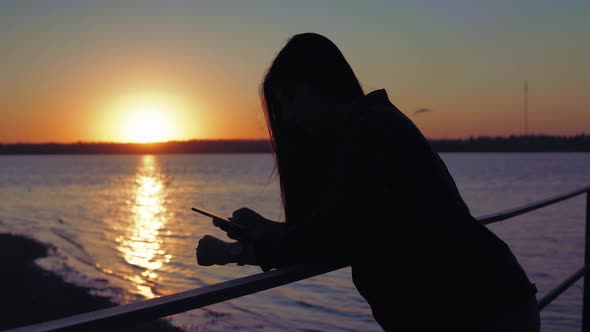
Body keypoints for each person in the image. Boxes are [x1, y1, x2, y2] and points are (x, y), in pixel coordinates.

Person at [196, 32, 540, 332]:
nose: (286, 117)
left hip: (477, 312)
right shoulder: (369, 127)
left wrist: (231, 253)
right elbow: (343, 227)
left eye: (290, 99)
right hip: (479, 303)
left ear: (318, 85)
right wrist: (267, 229)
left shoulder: (370, 133)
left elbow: (328, 238)